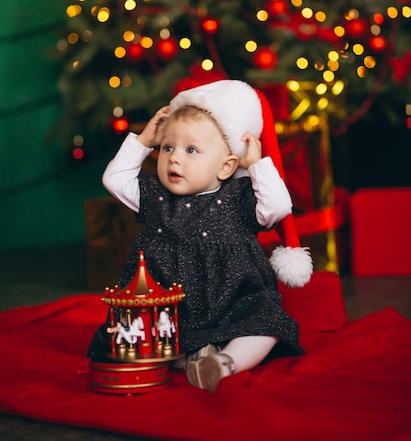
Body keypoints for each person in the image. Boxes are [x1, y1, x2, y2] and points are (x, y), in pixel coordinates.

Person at [88, 80, 313, 392]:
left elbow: (278, 207)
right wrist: (142, 141)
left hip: (234, 299)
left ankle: (225, 363)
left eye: (191, 150)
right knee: (148, 337)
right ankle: (192, 359)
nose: (175, 158)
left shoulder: (240, 197)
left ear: (226, 166)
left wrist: (258, 165)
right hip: (172, 307)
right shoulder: (155, 195)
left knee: (268, 323)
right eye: (167, 147)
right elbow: (113, 179)